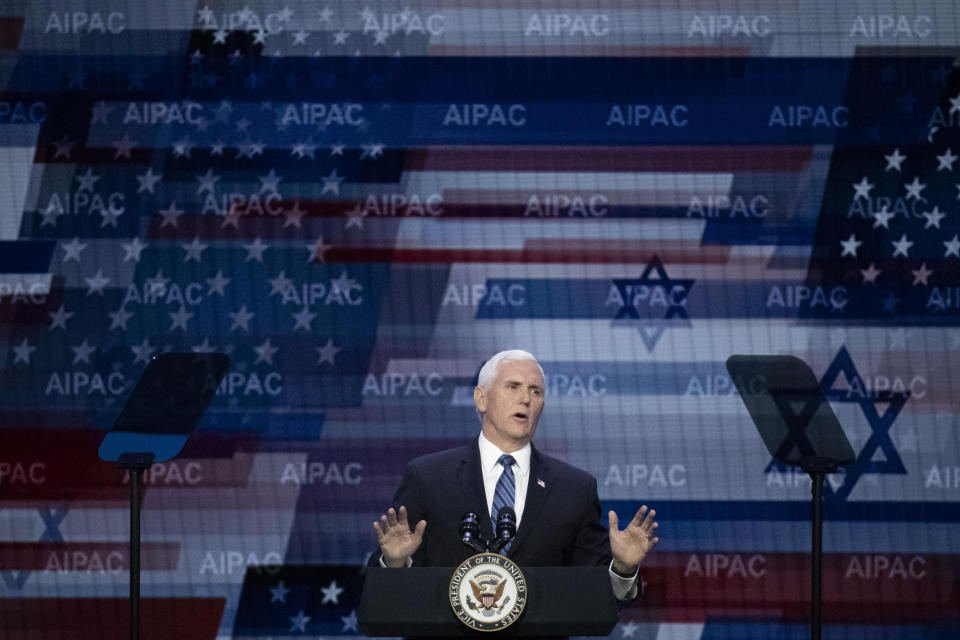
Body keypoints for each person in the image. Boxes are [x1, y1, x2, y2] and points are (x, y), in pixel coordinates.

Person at [373, 349, 658, 600]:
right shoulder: (428, 477)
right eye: (513, 386)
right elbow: (391, 591)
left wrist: (623, 567)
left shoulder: (574, 488)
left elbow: (600, 593)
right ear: (481, 398)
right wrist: (395, 561)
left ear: (542, 407)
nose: (525, 398)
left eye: (536, 391)